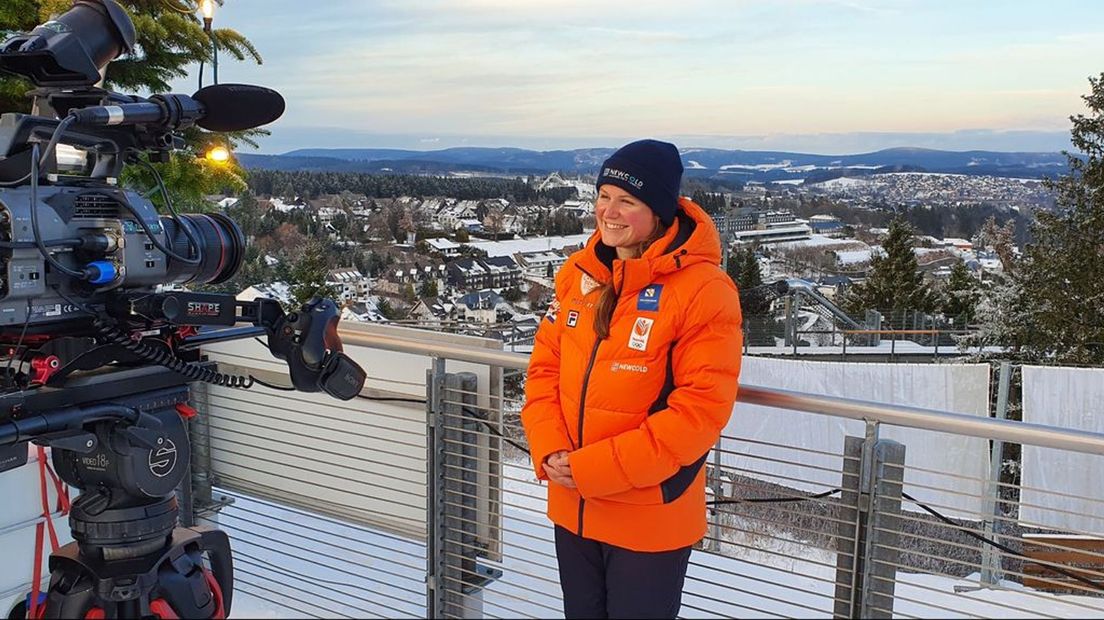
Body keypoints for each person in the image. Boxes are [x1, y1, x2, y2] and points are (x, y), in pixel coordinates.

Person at [520, 139, 743, 619]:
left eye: (627, 200)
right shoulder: (579, 275)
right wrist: (550, 450)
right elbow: (543, 373)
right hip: (573, 506)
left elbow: (698, 414)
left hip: (647, 518)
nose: (609, 211)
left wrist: (591, 471)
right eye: (603, 195)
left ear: (660, 211)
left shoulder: (704, 291)